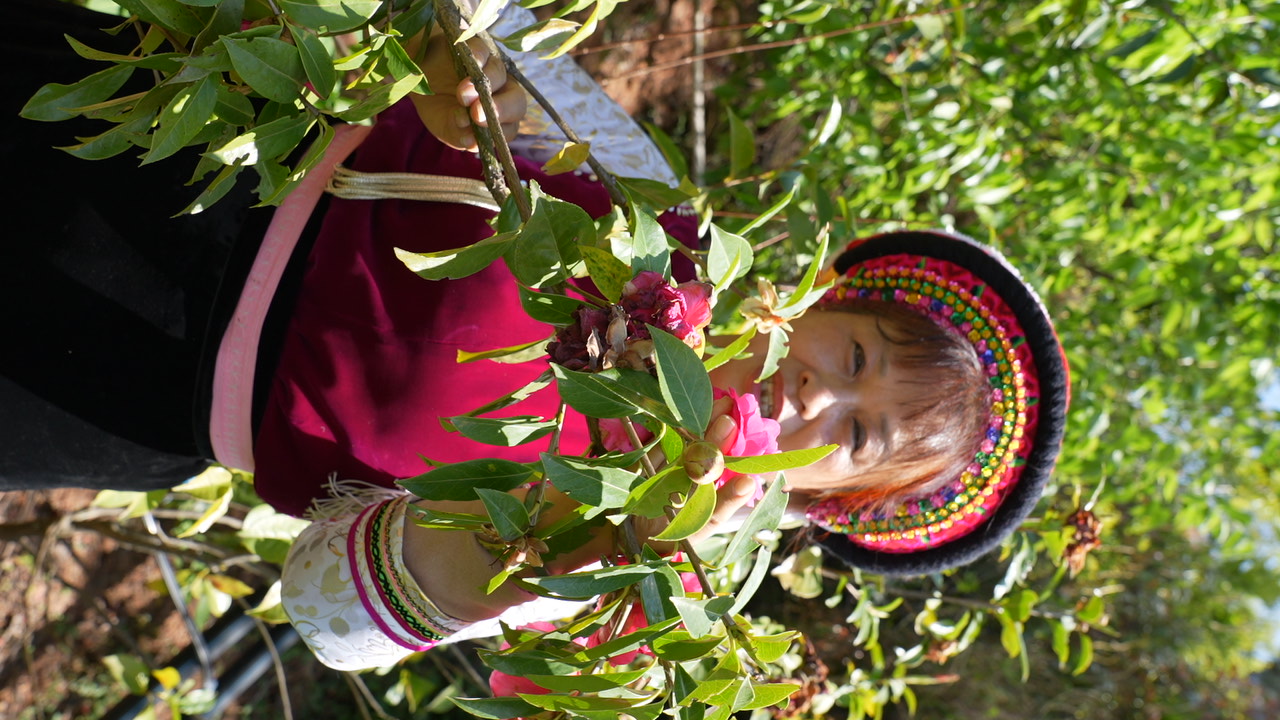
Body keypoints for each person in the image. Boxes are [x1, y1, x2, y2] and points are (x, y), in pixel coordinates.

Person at [3, 0, 1068, 672]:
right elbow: (487, 69)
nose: (817, 396)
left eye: (856, 432)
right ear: (823, 300)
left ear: (825, 498)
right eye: (854, 357)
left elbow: (330, 608)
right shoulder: (666, 228)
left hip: (121, 389)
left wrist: (577, 555)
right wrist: (439, 64)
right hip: (208, 156)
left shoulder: (632, 556)